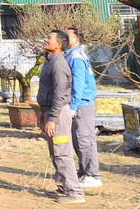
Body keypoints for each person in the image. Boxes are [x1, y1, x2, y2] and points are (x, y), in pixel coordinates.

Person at [38, 29, 85, 204]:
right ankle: (64, 186)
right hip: (51, 111)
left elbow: (59, 95)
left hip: (58, 113)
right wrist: (43, 112)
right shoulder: (49, 61)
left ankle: (75, 192)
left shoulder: (58, 65)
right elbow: (48, 92)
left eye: (49, 38)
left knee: (62, 152)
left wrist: (52, 119)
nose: (45, 39)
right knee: (55, 152)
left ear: (58, 44)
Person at [66, 26, 101, 189]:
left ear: (76, 40)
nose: (64, 39)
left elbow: (78, 84)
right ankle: (84, 172)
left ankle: (92, 175)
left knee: (84, 139)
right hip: (81, 103)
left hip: (82, 104)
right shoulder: (74, 54)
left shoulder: (76, 57)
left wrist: (73, 106)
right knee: (79, 139)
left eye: (67, 36)